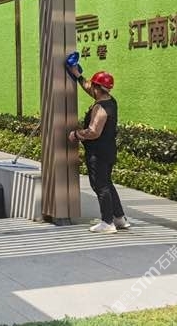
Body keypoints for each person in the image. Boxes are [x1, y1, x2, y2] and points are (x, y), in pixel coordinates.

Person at [66, 65, 129, 233]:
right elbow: (89, 88)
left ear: (97, 88)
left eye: (93, 85)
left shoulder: (100, 108)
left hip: (98, 153)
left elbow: (93, 132)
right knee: (107, 183)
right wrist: (78, 75)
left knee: (100, 186)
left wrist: (76, 134)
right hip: (109, 150)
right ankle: (119, 218)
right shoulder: (110, 101)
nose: (91, 88)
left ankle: (107, 222)